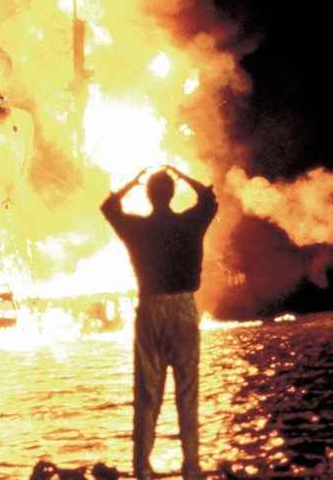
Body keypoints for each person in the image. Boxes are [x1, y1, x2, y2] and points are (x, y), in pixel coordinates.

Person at [101, 165, 218, 480]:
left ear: (149, 196)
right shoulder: (191, 223)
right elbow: (209, 199)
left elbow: (108, 208)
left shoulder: (137, 229)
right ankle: (191, 466)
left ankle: (142, 468)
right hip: (183, 309)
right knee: (187, 392)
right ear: (172, 193)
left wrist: (132, 182)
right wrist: (182, 175)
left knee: (147, 393)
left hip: (150, 309)